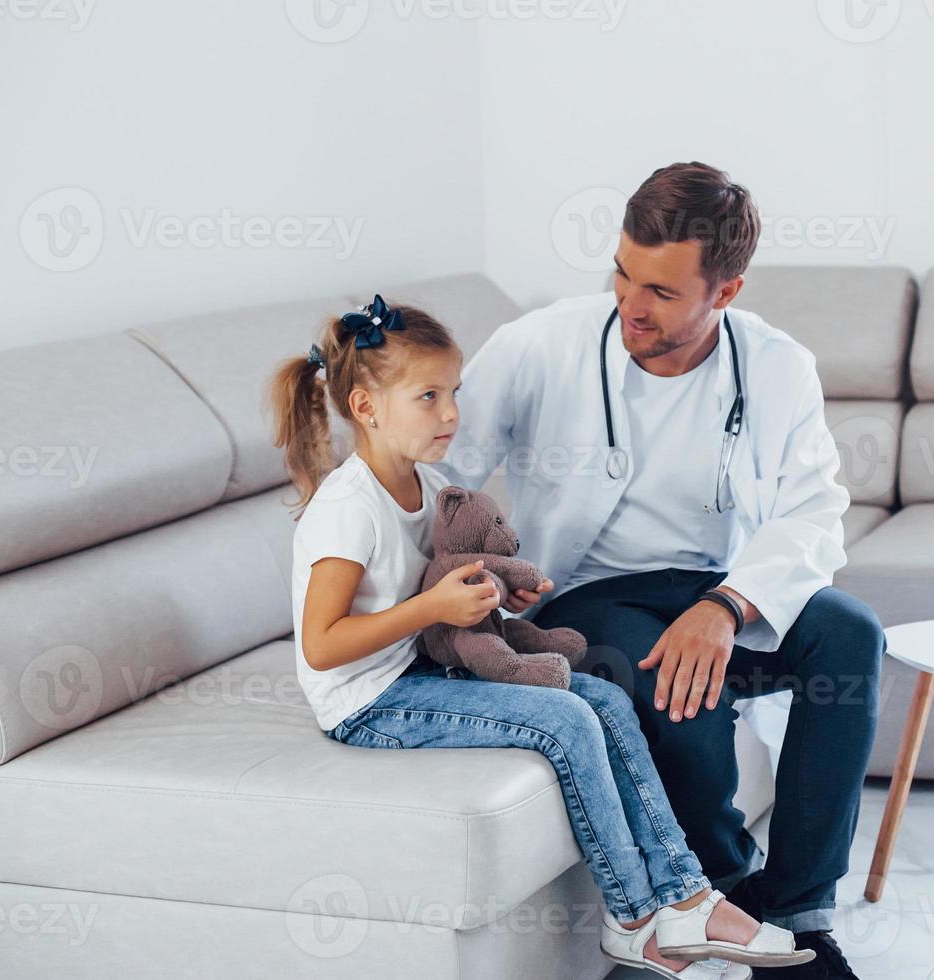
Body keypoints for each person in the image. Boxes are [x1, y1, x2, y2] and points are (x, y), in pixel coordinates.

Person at [265, 294, 815, 979]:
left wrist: (493, 589)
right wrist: (432, 605)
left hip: (417, 671)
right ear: (366, 408)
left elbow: (435, 578)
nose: (451, 415)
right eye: (428, 397)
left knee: (606, 701)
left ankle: (686, 895)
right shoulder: (348, 509)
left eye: (454, 393)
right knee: (566, 720)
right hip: (367, 701)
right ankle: (634, 918)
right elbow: (322, 645)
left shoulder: (425, 484)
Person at [436, 163, 886, 980]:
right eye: (621, 274)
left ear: (727, 291)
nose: (631, 305)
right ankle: (716, 891)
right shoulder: (540, 345)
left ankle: (795, 912)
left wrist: (726, 605)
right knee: (668, 683)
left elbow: (815, 511)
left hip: (726, 588)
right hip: (588, 595)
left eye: (663, 292)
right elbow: (440, 473)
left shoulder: (780, 368)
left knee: (851, 635)